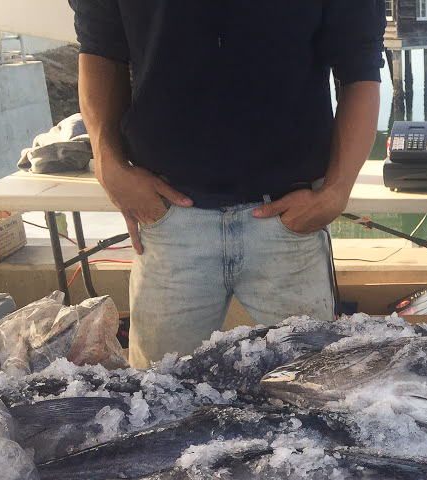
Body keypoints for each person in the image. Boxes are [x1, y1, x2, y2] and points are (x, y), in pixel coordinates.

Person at [70, 1, 386, 368]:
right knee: (159, 397)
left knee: (311, 393)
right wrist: (107, 162)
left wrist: (337, 190)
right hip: (169, 219)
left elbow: (360, 67)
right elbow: (99, 47)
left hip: (289, 220)